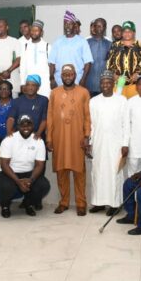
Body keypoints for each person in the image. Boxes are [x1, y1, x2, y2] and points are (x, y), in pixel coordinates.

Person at [47, 64, 91, 216]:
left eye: (70, 74)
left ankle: (81, 203)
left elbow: (87, 116)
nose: (67, 77)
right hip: (59, 138)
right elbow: (50, 116)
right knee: (61, 171)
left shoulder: (83, 92)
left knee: (79, 172)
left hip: (77, 138)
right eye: (65, 74)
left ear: (75, 75)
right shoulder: (54, 93)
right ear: (61, 76)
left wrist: (87, 136)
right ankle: (64, 202)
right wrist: (49, 138)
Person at [88, 70, 129, 216]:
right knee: (97, 172)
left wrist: (125, 144)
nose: (105, 85)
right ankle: (98, 202)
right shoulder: (93, 101)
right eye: (103, 83)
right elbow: (91, 124)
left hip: (116, 144)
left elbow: (126, 124)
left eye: (108, 82)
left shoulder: (122, 100)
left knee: (114, 173)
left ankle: (115, 204)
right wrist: (90, 142)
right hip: (98, 142)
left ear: (113, 84)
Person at [0, 114, 50, 218]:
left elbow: (40, 165)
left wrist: (31, 179)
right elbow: (4, 164)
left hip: (28, 173)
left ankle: (28, 203)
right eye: (23, 125)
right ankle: (5, 206)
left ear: (33, 126)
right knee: (7, 186)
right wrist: (18, 181)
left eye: (28, 125)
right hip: (9, 172)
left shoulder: (38, 141)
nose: (26, 128)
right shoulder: (9, 140)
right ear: (18, 126)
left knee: (43, 185)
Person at [48, 11, 93, 90]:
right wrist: (52, 79)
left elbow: (88, 62)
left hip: (77, 81)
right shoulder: (57, 42)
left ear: (75, 25)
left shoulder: (82, 41)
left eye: (70, 24)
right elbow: (52, 63)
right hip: (59, 82)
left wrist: (83, 79)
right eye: (65, 24)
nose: (67, 26)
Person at [106, 21, 141, 98]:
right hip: (118, 84)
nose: (127, 33)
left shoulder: (140, 45)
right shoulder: (115, 46)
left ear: (134, 33)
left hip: (135, 85)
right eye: (125, 31)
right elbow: (109, 63)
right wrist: (113, 75)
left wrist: (138, 74)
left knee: (134, 105)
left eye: (129, 31)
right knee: (118, 104)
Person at [20, 20, 52, 98]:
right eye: (32, 30)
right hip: (29, 83)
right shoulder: (26, 46)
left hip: (45, 84)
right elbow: (22, 66)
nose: (34, 32)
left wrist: (51, 80)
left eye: (36, 30)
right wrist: (22, 83)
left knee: (45, 102)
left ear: (41, 32)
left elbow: (51, 66)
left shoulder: (47, 46)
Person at [86, 18, 112, 97]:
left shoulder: (110, 44)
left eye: (102, 26)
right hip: (89, 83)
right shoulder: (86, 43)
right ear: (94, 27)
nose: (100, 28)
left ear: (105, 28)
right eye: (98, 26)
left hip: (105, 84)